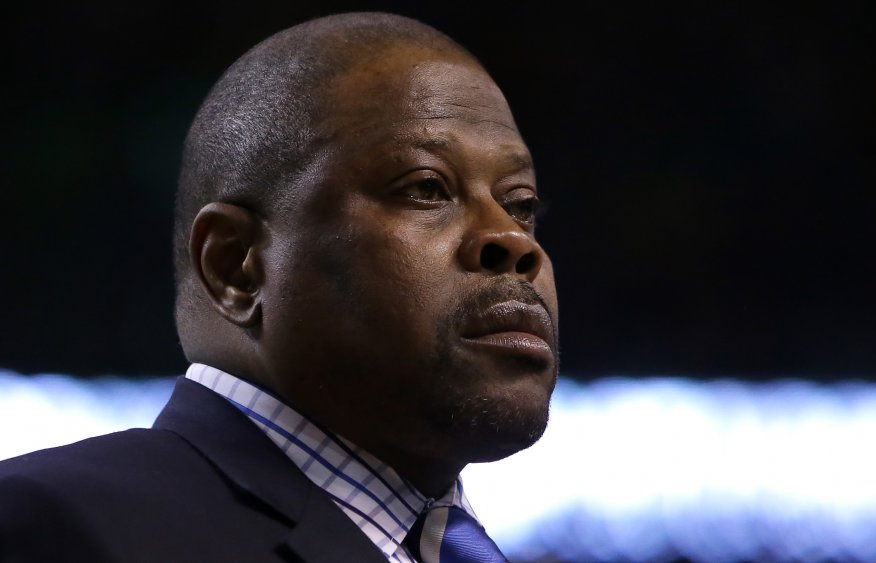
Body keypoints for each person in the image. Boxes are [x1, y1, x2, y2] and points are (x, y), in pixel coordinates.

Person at [0, 11, 558, 563]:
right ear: (236, 264)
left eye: (522, 205)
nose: (512, 239)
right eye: (425, 188)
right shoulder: (56, 525)